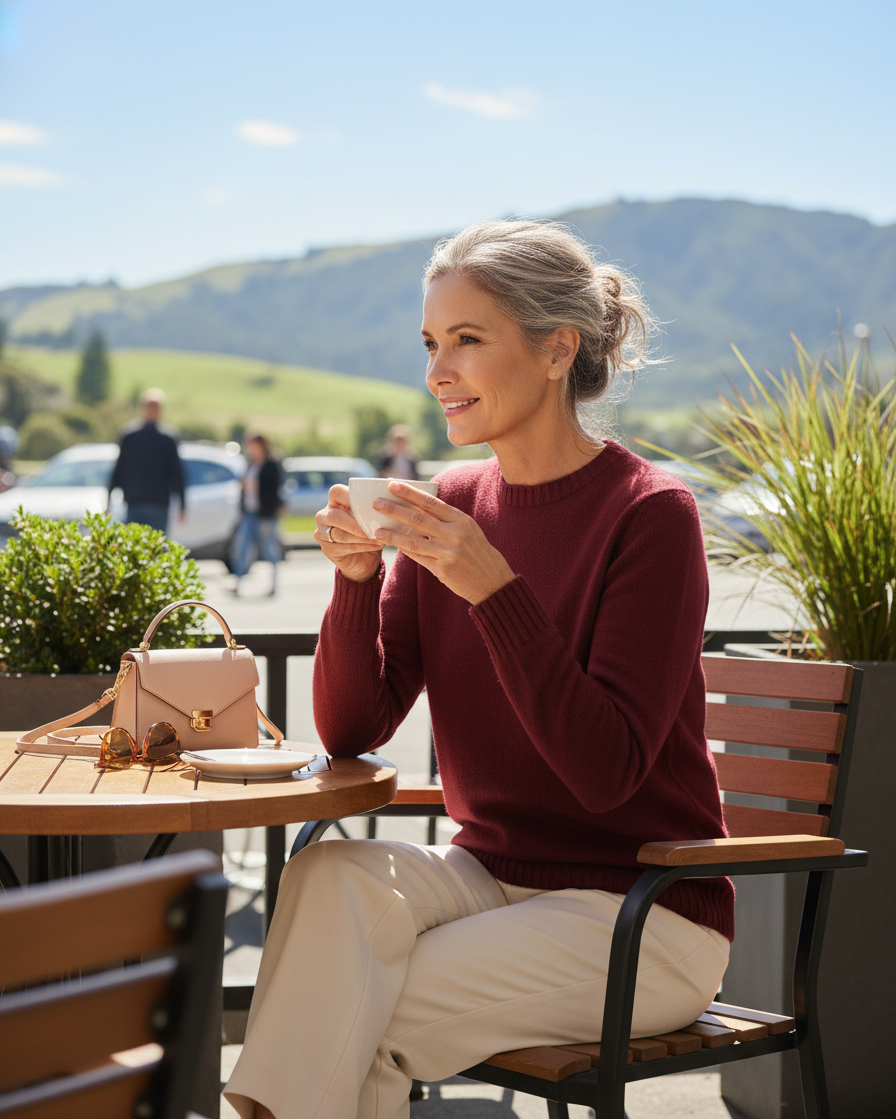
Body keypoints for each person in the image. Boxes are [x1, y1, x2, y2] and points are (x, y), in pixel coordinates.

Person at [225, 220, 732, 1120]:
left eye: (466, 340)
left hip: (641, 909)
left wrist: (495, 590)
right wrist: (355, 582)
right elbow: (351, 728)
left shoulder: (650, 516)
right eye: (430, 342)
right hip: (490, 879)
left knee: (342, 1002)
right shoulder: (451, 508)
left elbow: (606, 773)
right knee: (328, 879)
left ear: (555, 351)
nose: (436, 372)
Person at [108, 389, 186, 532]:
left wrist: (183, 504)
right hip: (135, 503)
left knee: (153, 549)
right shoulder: (129, 436)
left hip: (158, 504)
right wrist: (108, 499)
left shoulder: (168, 438)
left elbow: (177, 472)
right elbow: (119, 468)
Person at [231, 432, 283, 596]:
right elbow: (243, 489)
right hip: (249, 512)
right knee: (242, 548)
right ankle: (237, 582)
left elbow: (274, 490)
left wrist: (255, 486)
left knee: (268, 549)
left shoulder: (271, 464)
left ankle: (274, 583)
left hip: (265, 514)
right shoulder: (251, 464)